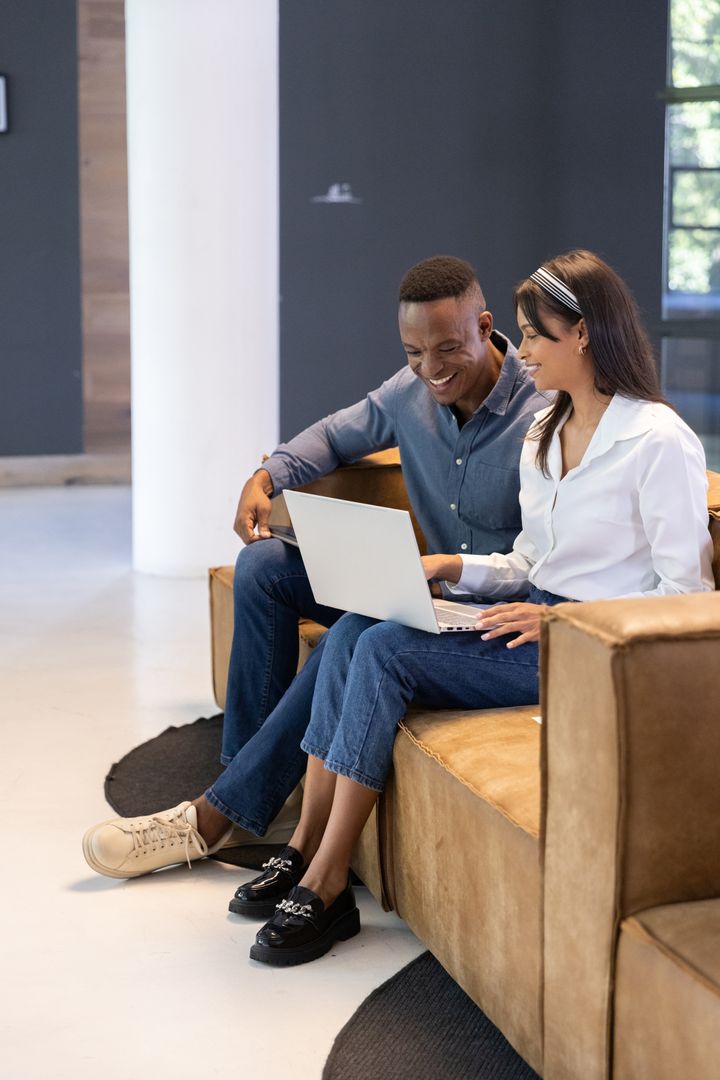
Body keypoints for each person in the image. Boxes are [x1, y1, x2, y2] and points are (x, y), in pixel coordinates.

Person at [237, 248, 711, 967]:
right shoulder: (546, 430)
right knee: (362, 624)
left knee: (385, 651)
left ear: (582, 334)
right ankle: (304, 846)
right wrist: (449, 566)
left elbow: (688, 599)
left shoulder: (657, 441)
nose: (520, 352)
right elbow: (530, 563)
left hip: (587, 646)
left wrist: (558, 621)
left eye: (534, 335)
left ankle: (328, 884)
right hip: (533, 617)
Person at [82, 255, 549, 880]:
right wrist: (265, 475)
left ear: (485, 326)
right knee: (266, 564)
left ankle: (221, 814)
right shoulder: (408, 392)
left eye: (446, 350)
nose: (430, 370)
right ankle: (246, 780)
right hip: (423, 589)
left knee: (358, 631)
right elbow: (331, 437)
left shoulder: (546, 413)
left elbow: (547, 559)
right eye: (413, 351)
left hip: (489, 607)